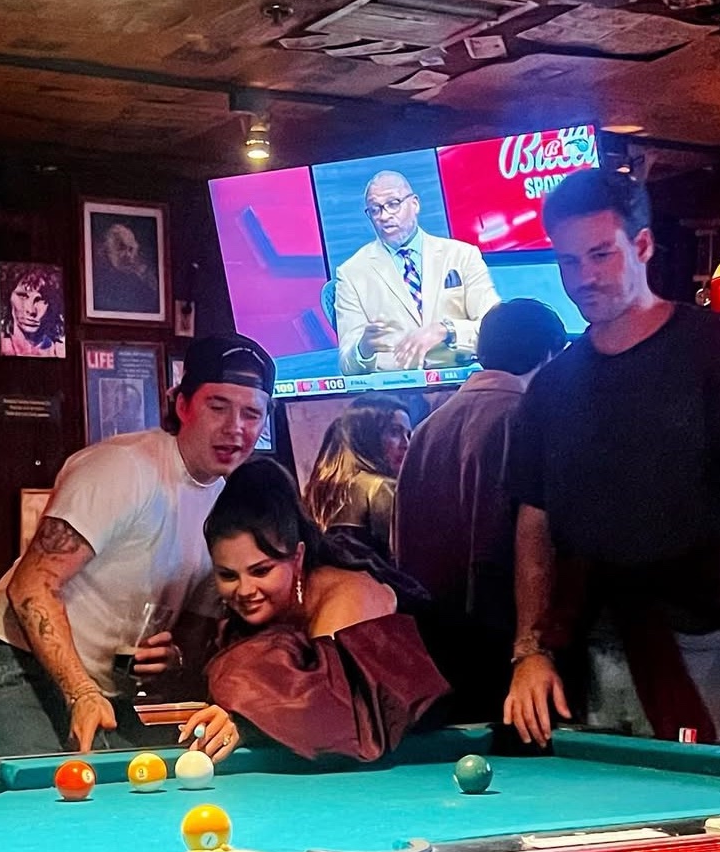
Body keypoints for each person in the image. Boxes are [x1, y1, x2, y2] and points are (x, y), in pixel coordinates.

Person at [503, 169, 720, 751]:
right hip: (587, 643)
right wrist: (528, 650)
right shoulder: (551, 385)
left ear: (642, 245)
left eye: (600, 255)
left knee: (717, 803)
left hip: (708, 637)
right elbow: (533, 524)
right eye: (568, 262)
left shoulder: (719, 348)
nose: (583, 278)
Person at [0, 333, 275, 758]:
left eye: (251, 413)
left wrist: (174, 658)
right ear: (182, 405)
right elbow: (31, 586)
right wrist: (81, 693)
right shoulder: (124, 467)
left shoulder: (226, 505)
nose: (235, 427)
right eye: (218, 407)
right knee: (36, 802)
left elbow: (193, 632)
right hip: (14, 666)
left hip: (104, 691)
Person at [180, 458, 450, 763]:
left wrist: (245, 720)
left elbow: (333, 709)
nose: (244, 590)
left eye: (261, 571)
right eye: (228, 575)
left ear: (297, 557)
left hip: (475, 713)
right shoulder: (252, 612)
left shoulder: (345, 594)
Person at [395, 299, 567, 721]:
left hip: (432, 644)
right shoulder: (525, 418)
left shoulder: (427, 427)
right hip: (507, 649)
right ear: (550, 355)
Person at [334, 171, 501, 375]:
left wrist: (447, 330)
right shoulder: (351, 273)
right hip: (397, 388)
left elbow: (496, 330)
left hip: (461, 380)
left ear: (414, 204)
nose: (384, 216)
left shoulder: (462, 255)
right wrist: (363, 349)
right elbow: (347, 364)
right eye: (375, 210)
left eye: (393, 204)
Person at [303, 395, 412, 560]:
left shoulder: (319, 488)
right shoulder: (379, 487)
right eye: (394, 432)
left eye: (408, 435)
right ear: (367, 435)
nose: (406, 444)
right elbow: (404, 557)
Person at [0, 263, 66, 358]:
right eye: (22, 296)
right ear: (8, 298)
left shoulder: (60, 352)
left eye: (40, 299)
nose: (31, 311)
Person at [94, 221, 159, 315]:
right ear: (108, 250)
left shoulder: (140, 280)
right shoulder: (99, 280)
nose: (128, 255)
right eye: (121, 248)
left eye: (131, 249)